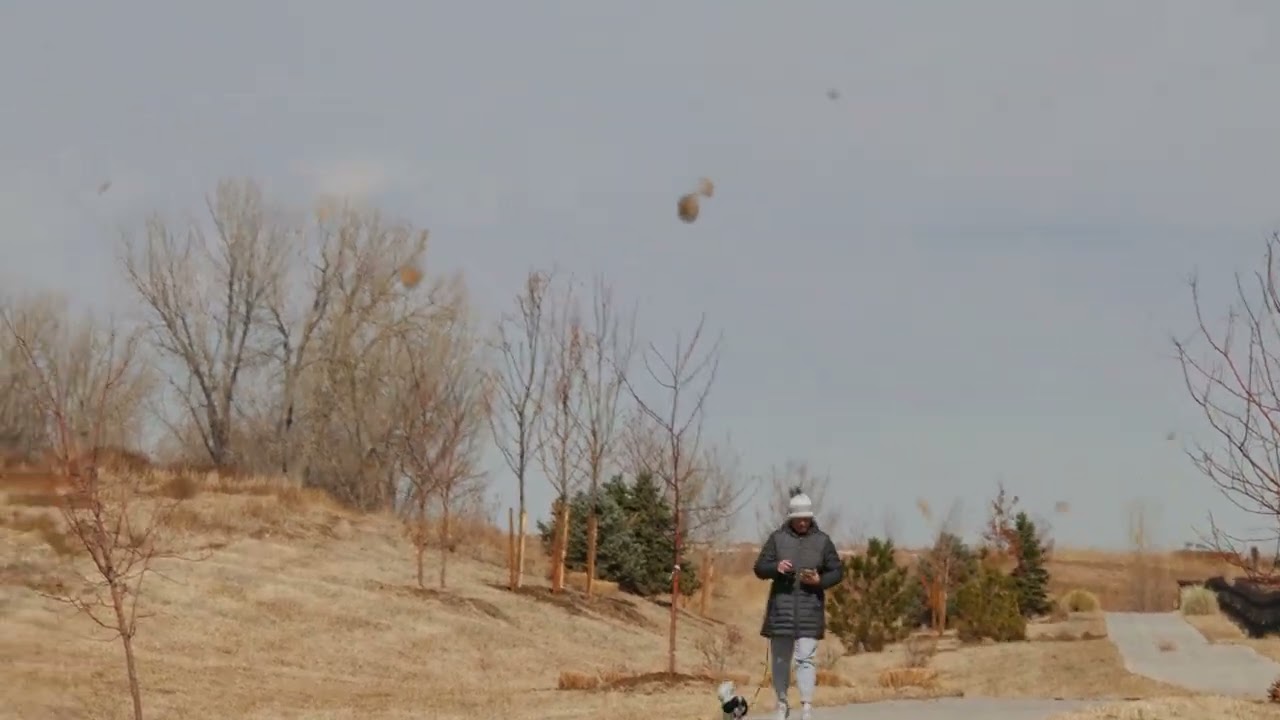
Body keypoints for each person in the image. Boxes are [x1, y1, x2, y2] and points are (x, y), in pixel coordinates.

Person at [752, 490, 844, 720]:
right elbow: (759, 567)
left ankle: (806, 707)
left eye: (807, 518)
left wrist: (819, 581)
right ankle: (782, 704)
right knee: (781, 659)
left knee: (806, 659)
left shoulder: (822, 541)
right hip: (781, 610)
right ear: (791, 518)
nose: (803, 522)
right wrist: (776, 568)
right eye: (799, 518)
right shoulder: (776, 539)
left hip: (809, 610)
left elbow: (837, 571)